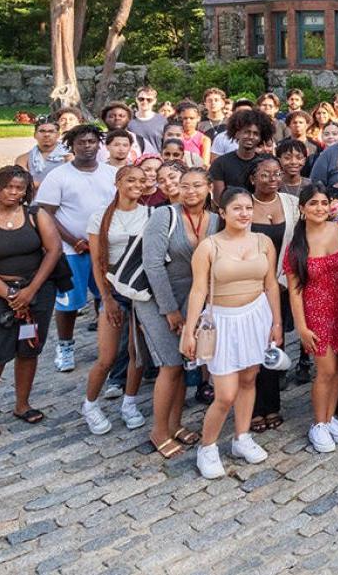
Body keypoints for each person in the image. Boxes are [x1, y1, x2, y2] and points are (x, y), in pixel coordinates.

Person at [180, 188, 282, 478]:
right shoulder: (209, 246)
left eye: (248, 208)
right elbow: (198, 289)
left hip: (256, 316)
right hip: (222, 320)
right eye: (236, 208)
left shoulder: (263, 242)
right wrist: (189, 331)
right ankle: (207, 446)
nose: (244, 213)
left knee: (250, 379)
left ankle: (242, 436)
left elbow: (271, 284)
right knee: (225, 394)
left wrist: (275, 323)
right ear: (222, 213)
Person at [0, 166, 63, 438]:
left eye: (20, 188)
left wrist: (30, 291)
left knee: (29, 349)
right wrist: (10, 295)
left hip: (36, 290)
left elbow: (53, 250)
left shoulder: (35, 215)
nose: (14, 192)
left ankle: (22, 404)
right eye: (8, 187)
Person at [138, 166, 215, 458]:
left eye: (197, 185)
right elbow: (153, 264)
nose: (190, 191)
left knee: (184, 363)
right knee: (169, 364)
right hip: (158, 299)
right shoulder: (164, 215)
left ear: (208, 187)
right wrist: (169, 309)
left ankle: (175, 423)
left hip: (192, 299)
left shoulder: (216, 220)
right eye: (185, 186)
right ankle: (159, 431)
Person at [35, 124, 117, 373]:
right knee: (69, 303)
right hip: (72, 251)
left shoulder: (111, 173)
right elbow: (46, 213)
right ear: (72, 145)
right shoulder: (59, 176)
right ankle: (65, 345)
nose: (87, 146)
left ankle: (105, 346)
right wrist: (72, 240)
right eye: (81, 142)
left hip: (104, 247)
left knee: (106, 297)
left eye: (92, 141)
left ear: (99, 144)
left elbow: (117, 206)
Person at [283, 184, 338, 453]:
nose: (320, 208)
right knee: (325, 370)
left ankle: (330, 416)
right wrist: (301, 326)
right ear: (302, 208)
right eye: (313, 203)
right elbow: (294, 292)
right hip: (316, 313)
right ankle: (318, 423)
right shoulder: (297, 246)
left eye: (324, 203)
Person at [79, 165, 150, 436]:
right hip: (114, 291)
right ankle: (90, 404)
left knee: (137, 354)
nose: (137, 184)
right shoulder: (101, 217)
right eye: (131, 179)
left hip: (140, 291)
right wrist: (105, 297)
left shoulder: (150, 214)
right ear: (118, 182)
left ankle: (129, 402)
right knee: (107, 357)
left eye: (142, 180)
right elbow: (97, 261)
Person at [247, 155, 299, 433]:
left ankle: (272, 405)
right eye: (265, 175)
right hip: (249, 286)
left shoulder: (291, 204)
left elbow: (298, 241)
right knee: (251, 347)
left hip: (280, 284)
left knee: (274, 343)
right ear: (253, 177)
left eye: (276, 174)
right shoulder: (243, 204)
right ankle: (253, 408)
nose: (271, 179)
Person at [208, 108, 275, 200]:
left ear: (261, 137)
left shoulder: (265, 164)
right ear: (237, 134)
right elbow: (218, 200)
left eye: (256, 134)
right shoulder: (220, 164)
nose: (251, 137)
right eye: (247, 132)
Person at [14, 115, 68, 186]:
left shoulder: (69, 155)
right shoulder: (23, 159)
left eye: (51, 131)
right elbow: (24, 183)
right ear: (35, 135)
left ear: (58, 135)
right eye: (42, 131)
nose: (46, 134)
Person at [129, 86, 167, 152]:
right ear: (136, 100)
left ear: (154, 101)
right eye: (141, 99)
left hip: (156, 160)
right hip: (134, 161)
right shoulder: (128, 120)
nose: (145, 102)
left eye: (149, 100)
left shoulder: (163, 121)